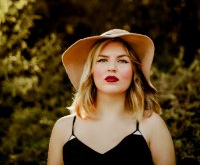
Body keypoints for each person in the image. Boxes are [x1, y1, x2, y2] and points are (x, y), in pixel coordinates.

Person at [47, 29, 176, 165]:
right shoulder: (64, 129)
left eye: (123, 61)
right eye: (102, 60)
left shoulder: (152, 125)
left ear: (134, 72)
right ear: (91, 70)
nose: (112, 68)